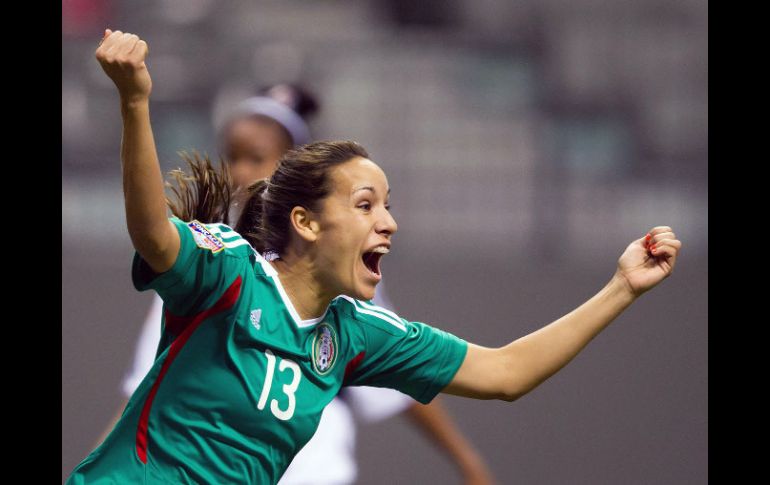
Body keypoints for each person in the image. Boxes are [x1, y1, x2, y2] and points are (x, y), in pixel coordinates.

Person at [67, 30, 681, 484]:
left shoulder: (357, 333)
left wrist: (621, 288)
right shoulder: (227, 269)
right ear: (305, 222)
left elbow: (504, 374)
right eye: (366, 205)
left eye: (388, 205)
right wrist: (134, 102)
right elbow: (152, 232)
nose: (389, 223)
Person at [99, 80, 495, 484]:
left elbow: (402, 374)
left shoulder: (340, 273)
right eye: (233, 157)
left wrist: (465, 459)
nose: (241, 171)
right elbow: (148, 387)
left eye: (258, 158)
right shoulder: (204, 261)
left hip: (312, 461)